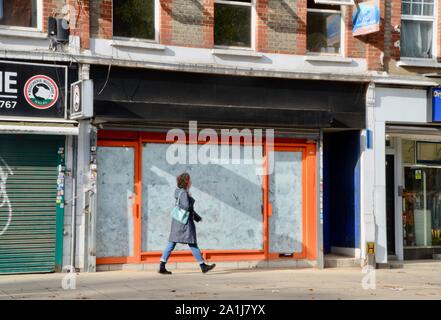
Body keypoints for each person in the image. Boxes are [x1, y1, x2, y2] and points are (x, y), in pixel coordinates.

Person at [159, 172, 216, 274]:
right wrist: (190, 198)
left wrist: (197, 218)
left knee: (172, 243)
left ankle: (162, 266)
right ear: (186, 181)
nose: (191, 181)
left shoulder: (177, 191)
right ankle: (203, 266)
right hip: (185, 223)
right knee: (192, 243)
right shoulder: (184, 193)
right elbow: (186, 207)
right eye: (189, 179)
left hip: (177, 221)